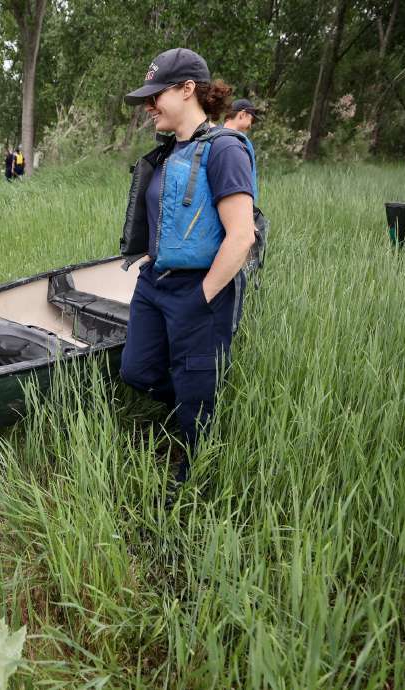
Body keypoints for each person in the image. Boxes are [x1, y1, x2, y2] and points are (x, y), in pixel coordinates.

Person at [117, 48, 257, 484]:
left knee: (197, 389)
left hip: (200, 290)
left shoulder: (225, 150)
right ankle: (187, 410)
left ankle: (192, 479)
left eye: (155, 95)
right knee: (135, 370)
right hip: (154, 284)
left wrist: (203, 296)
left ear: (187, 89)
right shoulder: (167, 153)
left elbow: (242, 235)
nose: (148, 106)